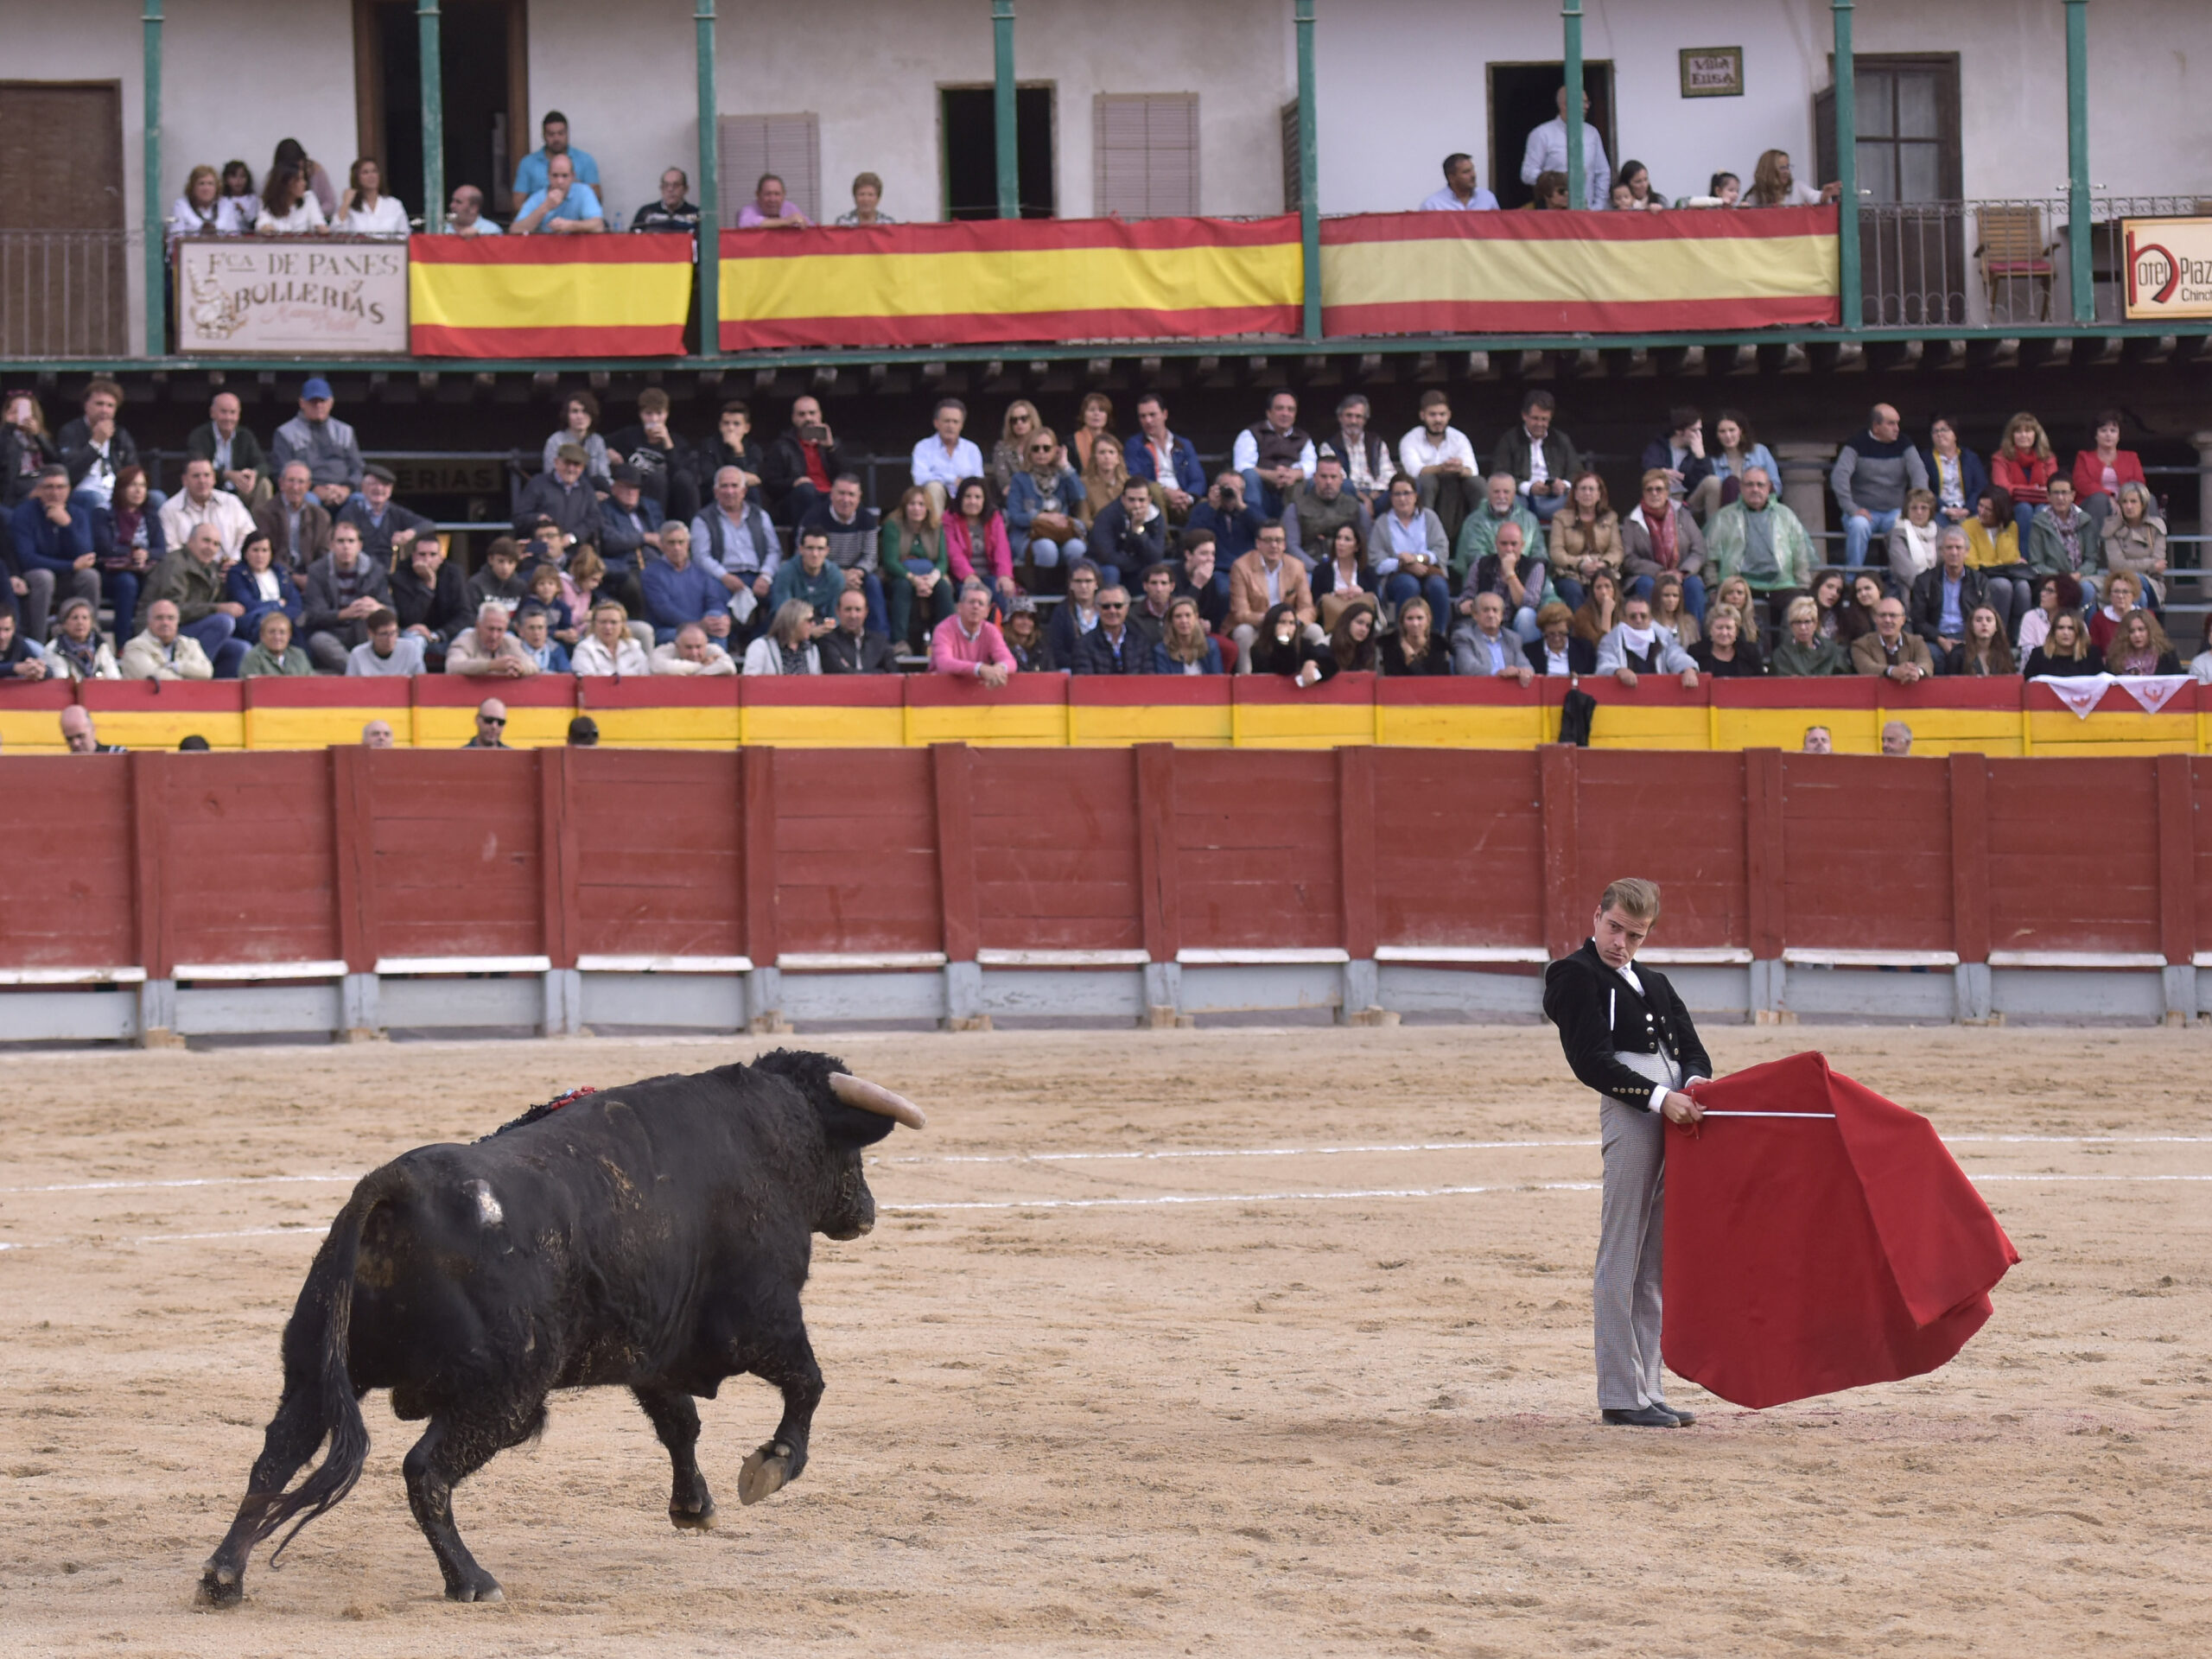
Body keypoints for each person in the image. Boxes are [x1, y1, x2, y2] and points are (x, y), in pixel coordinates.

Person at [1541, 876, 1712, 1428]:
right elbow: (1591, 1061)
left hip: (1678, 1114)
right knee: (1621, 1251)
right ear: (1597, 917)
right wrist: (1662, 1098)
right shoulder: (1573, 974)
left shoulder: (1656, 982)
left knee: (1654, 1258)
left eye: (1634, 935)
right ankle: (1620, 1393)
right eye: (1614, 928)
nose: (1620, 943)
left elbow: (1693, 1049)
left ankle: (1648, 1389)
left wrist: (1694, 1086)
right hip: (1633, 1110)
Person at [1703, 467, 1814, 637]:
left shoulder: (1785, 515)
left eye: (1760, 485)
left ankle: (1787, 652)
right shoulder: (1724, 517)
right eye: (1749, 485)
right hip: (1738, 582)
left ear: (1769, 487)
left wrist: (1804, 587)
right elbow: (1710, 556)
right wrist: (1712, 587)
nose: (1755, 489)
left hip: (1781, 583)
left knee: (1798, 607)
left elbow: (1800, 554)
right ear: (1741, 488)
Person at [10, 463, 103, 642]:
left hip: (68, 577)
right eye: (49, 487)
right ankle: (37, 642)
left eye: (61, 487)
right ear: (39, 489)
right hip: (35, 576)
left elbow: (86, 554)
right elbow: (27, 559)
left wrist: (67, 525)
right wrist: (71, 565)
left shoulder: (78, 514)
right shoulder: (23, 514)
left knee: (90, 576)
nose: (55, 493)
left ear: (69, 489)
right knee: (44, 577)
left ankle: (90, 640)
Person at [1830, 404, 1928, 569]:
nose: (1897, 428)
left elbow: (1919, 472)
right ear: (1876, 426)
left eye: (1897, 423)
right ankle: (1853, 577)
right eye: (1891, 424)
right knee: (1858, 525)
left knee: (1904, 526)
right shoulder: (1856, 443)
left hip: (1894, 511)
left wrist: (1917, 504)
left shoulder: (1904, 443)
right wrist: (1852, 509)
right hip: (1863, 512)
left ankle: (1899, 578)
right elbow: (1839, 477)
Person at [796, 474, 886, 633]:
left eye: (851, 494)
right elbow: (805, 553)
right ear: (831, 494)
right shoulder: (813, 518)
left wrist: (857, 572)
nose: (846, 500)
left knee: (873, 582)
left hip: (856, 575)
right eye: (841, 493)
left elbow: (871, 556)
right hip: (824, 573)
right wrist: (839, 574)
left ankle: (879, 636)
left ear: (859, 497)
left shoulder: (867, 520)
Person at [1229, 521, 1321, 672]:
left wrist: (1291, 623)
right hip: (1258, 625)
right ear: (1258, 543)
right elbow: (1240, 613)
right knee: (1243, 632)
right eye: (1268, 540)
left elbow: (1307, 609)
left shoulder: (1297, 566)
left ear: (1284, 544)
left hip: (1290, 624)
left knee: (1315, 631)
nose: (1274, 545)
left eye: (1278, 540)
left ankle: (1312, 675)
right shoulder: (1241, 567)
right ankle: (1245, 679)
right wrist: (1273, 621)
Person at [690, 467, 779, 621]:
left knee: (782, 603)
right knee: (715, 606)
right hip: (721, 579)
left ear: (744, 491)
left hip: (757, 576)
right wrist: (725, 577)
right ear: (716, 492)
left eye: (734, 486)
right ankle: (729, 636)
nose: (729, 491)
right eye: (724, 486)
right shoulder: (702, 519)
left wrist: (765, 576)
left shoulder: (760, 515)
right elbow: (701, 557)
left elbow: (774, 550)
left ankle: (760, 635)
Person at [302, 520, 391, 672]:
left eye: (351, 541)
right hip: (332, 632)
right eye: (340, 541)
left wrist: (378, 609)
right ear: (331, 545)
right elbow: (314, 615)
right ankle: (362, 672)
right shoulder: (317, 571)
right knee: (318, 640)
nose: (346, 546)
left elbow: (392, 611)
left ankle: (360, 672)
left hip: (365, 630)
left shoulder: (375, 570)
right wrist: (346, 613)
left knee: (383, 634)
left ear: (359, 545)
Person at [1619, 467, 1707, 620]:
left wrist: (1683, 572)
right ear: (1643, 493)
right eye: (1649, 490)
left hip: (1681, 574)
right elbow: (1628, 558)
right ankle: (1649, 631)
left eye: (1659, 489)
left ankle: (1695, 633)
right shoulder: (1632, 521)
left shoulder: (1683, 515)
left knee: (1694, 585)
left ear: (1667, 492)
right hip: (1649, 576)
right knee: (1645, 584)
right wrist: (1658, 572)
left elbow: (1699, 550)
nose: (1654, 494)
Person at [1396, 391, 1481, 542]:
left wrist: (1460, 469)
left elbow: (1473, 470)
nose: (1438, 419)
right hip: (1425, 490)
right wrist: (1442, 468)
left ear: (1449, 415)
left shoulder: (1459, 438)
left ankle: (1478, 535)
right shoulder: (1410, 439)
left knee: (1478, 483)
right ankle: (1427, 536)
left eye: (1442, 414)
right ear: (1422, 415)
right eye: (1432, 415)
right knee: (1427, 481)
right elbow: (1415, 471)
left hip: (1456, 489)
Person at [1004, 429, 1088, 582]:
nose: (1041, 452)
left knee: (1077, 547)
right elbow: (1014, 516)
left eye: (1046, 448)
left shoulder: (1063, 476)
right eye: (1036, 448)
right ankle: (1043, 593)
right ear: (1029, 452)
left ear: (1055, 450)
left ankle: (1073, 591)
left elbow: (1080, 495)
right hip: (1029, 535)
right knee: (1046, 548)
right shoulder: (1020, 479)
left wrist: (1065, 466)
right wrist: (1042, 517)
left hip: (1061, 533)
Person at [1367, 474, 1451, 625]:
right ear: (1391, 497)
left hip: (1428, 570)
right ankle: (1403, 634)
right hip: (1397, 575)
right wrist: (1402, 564)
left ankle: (1439, 634)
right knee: (1408, 585)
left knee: (1438, 587)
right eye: (1397, 494)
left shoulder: (1429, 517)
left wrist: (1417, 559)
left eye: (1406, 493)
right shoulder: (1382, 523)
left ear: (1415, 495)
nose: (1402, 498)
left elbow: (1441, 549)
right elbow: (1376, 561)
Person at [270, 378, 364, 510]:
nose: (318, 405)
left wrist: (346, 489)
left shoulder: (345, 431)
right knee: (309, 501)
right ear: (302, 403)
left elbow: (357, 468)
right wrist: (312, 488)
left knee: (361, 501)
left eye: (322, 401)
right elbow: (281, 472)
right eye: (313, 401)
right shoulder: (285, 432)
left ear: (331, 402)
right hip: (308, 492)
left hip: (343, 491)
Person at [1491, 391, 1580, 526]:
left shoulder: (1561, 440)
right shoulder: (1509, 439)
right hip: (1521, 498)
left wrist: (1564, 485)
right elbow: (1500, 474)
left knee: (1581, 498)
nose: (1540, 424)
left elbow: (1577, 471)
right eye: (1535, 418)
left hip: (1556, 499)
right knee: (1508, 501)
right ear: (1524, 416)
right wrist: (1529, 487)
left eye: (1544, 419)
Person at [878, 485, 952, 650]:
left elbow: (942, 561)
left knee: (944, 588)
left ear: (928, 508)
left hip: (929, 576)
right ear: (905, 506)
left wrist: (931, 580)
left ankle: (946, 642)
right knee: (903, 586)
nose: (916, 508)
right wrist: (914, 579)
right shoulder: (893, 525)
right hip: (901, 575)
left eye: (921, 504)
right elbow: (890, 561)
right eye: (912, 504)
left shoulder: (936, 527)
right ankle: (900, 642)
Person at [607, 389, 698, 522]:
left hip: (673, 502)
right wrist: (609, 451)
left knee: (672, 478)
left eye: (659, 413)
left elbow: (680, 477)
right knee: (656, 479)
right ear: (641, 415)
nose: (654, 419)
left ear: (666, 414)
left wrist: (667, 443)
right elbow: (602, 441)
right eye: (648, 414)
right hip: (642, 496)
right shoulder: (630, 435)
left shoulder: (677, 442)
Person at [1910, 526, 2004, 654]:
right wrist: (1940, 639)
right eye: (1949, 548)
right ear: (1941, 551)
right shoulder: (1924, 580)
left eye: (1958, 547)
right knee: (1931, 653)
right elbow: (1918, 620)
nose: (1954, 552)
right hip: (1935, 638)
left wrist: (1967, 640)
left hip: (1969, 637)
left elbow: (1985, 615)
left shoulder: (1980, 581)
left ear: (1967, 552)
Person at [643, 519, 734, 646]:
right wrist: (699, 626)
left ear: (688, 544)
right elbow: (664, 611)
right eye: (671, 543)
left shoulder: (701, 572)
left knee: (717, 620)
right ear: (662, 545)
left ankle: (718, 658)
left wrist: (722, 619)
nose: (677, 548)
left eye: (681, 542)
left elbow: (714, 600)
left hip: (703, 628)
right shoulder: (651, 574)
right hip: (670, 630)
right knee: (700, 634)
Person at [1521, 84, 1611, 209]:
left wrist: (1598, 206)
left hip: (1587, 212)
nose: (1586, 106)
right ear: (1564, 105)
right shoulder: (1542, 134)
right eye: (1582, 102)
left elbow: (1603, 173)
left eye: (1587, 102)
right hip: (1553, 213)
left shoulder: (1592, 133)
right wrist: (1557, 180)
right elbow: (1527, 174)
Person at [761, 395, 846, 524]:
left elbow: (847, 477)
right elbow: (770, 484)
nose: (808, 418)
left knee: (848, 497)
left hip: (830, 498)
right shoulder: (782, 446)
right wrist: (794, 483)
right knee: (806, 491)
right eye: (802, 414)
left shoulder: (834, 444)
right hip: (797, 500)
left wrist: (831, 449)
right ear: (794, 418)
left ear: (820, 415)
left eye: (812, 413)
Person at [1231, 391, 1316, 518]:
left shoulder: (1303, 438)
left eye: (1290, 410)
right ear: (1269, 413)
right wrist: (1270, 475)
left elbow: (1312, 465)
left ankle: (1307, 524)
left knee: (1314, 481)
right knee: (1249, 475)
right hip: (1261, 490)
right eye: (1279, 408)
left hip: (1292, 490)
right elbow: (1242, 466)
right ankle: (1255, 520)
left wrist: (1293, 474)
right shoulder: (1251, 434)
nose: (1285, 413)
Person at [1547, 471, 1623, 613]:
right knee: (1573, 590)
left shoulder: (1611, 517)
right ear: (1575, 494)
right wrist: (1580, 564)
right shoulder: (1560, 517)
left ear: (1599, 494)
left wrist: (1603, 564)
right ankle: (1580, 626)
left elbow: (1616, 550)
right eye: (1583, 489)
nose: (1587, 493)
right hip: (1569, 573)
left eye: (1591, 489)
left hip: (1602, 570)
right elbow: (1556, 551)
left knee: (1609, 587)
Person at [58, 378, 141, 508]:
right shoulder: (71, 431)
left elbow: (133, 470)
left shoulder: (121, 434)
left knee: (156, 497)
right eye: (99, 404)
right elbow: (70, 473)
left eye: (110, 406)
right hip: (82, 491)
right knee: (96, 499)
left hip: (115, 491)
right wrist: (96, 444)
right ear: (86, 405)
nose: (104, 410)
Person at [1088, 475, 1171, 597]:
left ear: (1149, 499)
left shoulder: (1156, 517)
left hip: (1135, 569)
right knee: (1112, 571)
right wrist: (1139, 562)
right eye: (1131, 500)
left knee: (1157, 574)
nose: (1137, 505)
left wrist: (1138, 531)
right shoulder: (1107, 516)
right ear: (1123, 499)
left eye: (1141, 500)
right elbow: (1107, 556)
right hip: (1105, 566)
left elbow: (1156, 555)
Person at [1126, 392, 1205, 519]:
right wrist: (1166, 492)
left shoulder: (1183, 444)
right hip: (1154, 498)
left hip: (1183, 498)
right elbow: (1136, 477)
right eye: (1143, 416)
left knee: (1209, 505)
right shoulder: (1134, 445)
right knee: (1154, 490)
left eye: (1152, 415)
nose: (1148, 421)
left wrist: (1187, 498)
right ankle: (1162, 533)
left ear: (1165, 414)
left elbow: (1198, 479)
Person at [1595, 594, 1700, 689]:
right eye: (1633, 616)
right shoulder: (1610, 640)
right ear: (1624, 619)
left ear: (1650, 618)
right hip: (1624, 696)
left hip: (1659, 693)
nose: (1638, 620)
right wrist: (1619, 671)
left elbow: (1677, 655)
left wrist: (1688, 669)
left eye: (1643, 616)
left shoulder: (1663, 637)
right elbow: (1604, 665)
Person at [2026, 475, 2102, 601]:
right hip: (2051, 578)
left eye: (2064, 493)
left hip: (2082, 577)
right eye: (2056, 493)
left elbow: (2092, 559)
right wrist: (2062, 578)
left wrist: (2078, 574)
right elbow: (2036, 563)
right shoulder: (2039, 523)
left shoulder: (2085, 521)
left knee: (2087, 589)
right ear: (2048, 496)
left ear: (2073, 495)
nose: (2060, 498)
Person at [185, 391, 269, 505]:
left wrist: (253, 474)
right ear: (212, 413)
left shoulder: (245, 436)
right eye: (223, 412)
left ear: (238, 415)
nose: (228, 418)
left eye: (232, 412)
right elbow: (196, 468)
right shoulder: (199, 436)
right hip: (211, 490)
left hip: (240, 491)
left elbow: (263, 465)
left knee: (264, 483)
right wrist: (227, 475)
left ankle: (260, 517)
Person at [1637, 407, 1719, 523]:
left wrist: (1701, 457)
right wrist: (1660, 473)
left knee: (1713, 482)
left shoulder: (1697, 450)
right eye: (1694, 430)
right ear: (1679, 431)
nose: (1699, 435)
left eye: (1699, 430)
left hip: (1689, 504)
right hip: (1664, 502)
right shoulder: (1659, 447)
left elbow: (1707, 480)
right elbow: (1647, 468)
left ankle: (1714, 530)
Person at [224, 528, 305, 644]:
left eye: (264, 550)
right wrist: (277, 604)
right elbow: (247, 605)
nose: (260, 555)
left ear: (271, 553)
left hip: (285, 622)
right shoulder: (237, 574)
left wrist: (280, 619)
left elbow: (295, 602)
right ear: (245, 553)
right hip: (255, 624)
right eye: (255, 550)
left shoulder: (281, 572)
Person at [516, 444, 602, 553]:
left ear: (583, 468)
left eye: (576, 465)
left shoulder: (587, 489)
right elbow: (518, 518)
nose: (571, 469)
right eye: (567, 463)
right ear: (556, 462)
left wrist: (573, 537)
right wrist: (537, 518)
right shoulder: (537, 484)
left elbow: (594, 518)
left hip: (574, 552)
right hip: (540, 551)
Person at [944, 476, 1015, 605]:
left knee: (1000, 591)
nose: (973, 501)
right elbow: (953, 553)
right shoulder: (949, 519)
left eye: (977, 497)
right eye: (968, 496)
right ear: (960, 498)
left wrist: (1004, 575)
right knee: (971, 596)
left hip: (990, 574)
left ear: (984, 500)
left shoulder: (994, 517)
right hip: (961, 577)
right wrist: (968, 575)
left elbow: (1002, 549)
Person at [2070, 410, 2147, 529]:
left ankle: (2150, 539)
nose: (2108, 434)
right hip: (2092, 505)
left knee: (2150, 499)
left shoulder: (2131, 457)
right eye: (2103, 430)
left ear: (2119, 435)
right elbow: (2081, 483)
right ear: (2095, 435)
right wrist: (2109, 497)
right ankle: (2097, 541)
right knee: (2099, 500)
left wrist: (2124, 501)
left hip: (2126, 502)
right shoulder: (2083, 457)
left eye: (2113, 431)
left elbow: (2139, 483)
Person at [254, 461, 333, 571]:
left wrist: (312, 575)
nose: (295, 487)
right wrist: (292, 576)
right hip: (277, 572)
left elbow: (324, 554)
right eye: (291, 481)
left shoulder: (321, 516)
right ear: (281, 484)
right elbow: (266, 553)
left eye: (301, 482)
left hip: (311, 574)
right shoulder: (265, 513)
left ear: (308, 486)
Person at [931, 580, 1015, 683]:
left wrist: (1000, 669)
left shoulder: (991, 630)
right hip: (941, 687)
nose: (976, 606)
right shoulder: (944, 629)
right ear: (959, 607)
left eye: (981, 603)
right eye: (971, 602)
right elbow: (944, 664)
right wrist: (979, 668)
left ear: (987, 612)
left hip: (977, 688)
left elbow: (1010, 661)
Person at [1991, 411, 2057, 539]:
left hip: (2043, 504)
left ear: (2036, 434)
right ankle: (2024, 551)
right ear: (2011, 436)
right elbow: (2002, 488)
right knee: (2024, 508)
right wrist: (2034, 490)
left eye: (2028, 431)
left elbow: (2054, 487)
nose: (2024, 435)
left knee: (2041, 509)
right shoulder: (2000, 458)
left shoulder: (2048, 457)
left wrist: (2021, 491)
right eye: (2018, 431)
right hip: (2011, 506)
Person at [2099, 481, 2167, 606]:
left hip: (2150, 582)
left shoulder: (2156, 526)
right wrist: (2151, 565)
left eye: (2133, 501)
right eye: (2124, 502)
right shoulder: (2111, 527)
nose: (2129, 506)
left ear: (2143, 504)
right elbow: (2116, 565)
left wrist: (2133, 565)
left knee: (2137, 582)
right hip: (2119, 581)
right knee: (2138, 594)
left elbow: (2159, 562)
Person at [766, 527, 844, 636]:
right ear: (801, 549)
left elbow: (836, 616)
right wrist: (807, 631)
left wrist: (827, 627)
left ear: (827, 551)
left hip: (821, 626)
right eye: (810, 548)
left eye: (820, 549)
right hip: (790, 628)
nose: (815, 554)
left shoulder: (835, 576)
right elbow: (781, 614)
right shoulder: (786, 572)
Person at [912, 398, 985, 513]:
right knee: (934, 487)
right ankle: (937, 525)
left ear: (961, 425)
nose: (951, 426)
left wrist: (963, 484)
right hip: (934, 501)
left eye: (955, 422)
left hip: (965, 499)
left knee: (974, 492)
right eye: (947, 421)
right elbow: (919, 479)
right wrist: (952, 479)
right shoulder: (923, 447)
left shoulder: (972, 449)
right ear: (936, 423)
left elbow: (979, 480)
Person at [1324, 395, 1395, 512]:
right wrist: (1364, 499)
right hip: (1348, 495)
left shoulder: (1376, 443)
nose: (1353, 421)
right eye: (1349, 415)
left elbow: (1388, 473)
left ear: (1365, 420)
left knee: (1404, 490)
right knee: (1344, 486)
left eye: (1358, 416)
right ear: (1340, 418)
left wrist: (1371, 496)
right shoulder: (1330, 446)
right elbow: (1339, 480)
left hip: (1376, 494)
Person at [513, 111, 600, 203]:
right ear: (543, 135)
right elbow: (517, 203)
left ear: (567, 134)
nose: (556, 139)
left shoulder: (585, 160)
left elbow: (597, 199)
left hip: (577, 212)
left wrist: (576, 187)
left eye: (561, 133)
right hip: (541, 211)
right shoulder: (528, 163)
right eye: (551, 134)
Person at [1917, 415, 1987, 528]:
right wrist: (1944, 509)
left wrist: (1968, 509)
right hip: (1939, 510)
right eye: (1935, 431)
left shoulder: (1970, 458)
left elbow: (1980, 487)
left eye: (1944, 430)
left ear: (1955, 434)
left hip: (1969, 510)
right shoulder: (1925, 459)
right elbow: (1924, 488)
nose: (1939, 434)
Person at [1248, 601, 1337, 687]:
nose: (1287, 627)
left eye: (1291, 623)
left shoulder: (1303, 645)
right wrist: (1283, 641)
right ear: (1272, 625)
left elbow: (1331, 661)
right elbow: (1286, 670)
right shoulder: (1258, 650)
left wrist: (1314, 663)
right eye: (1282, 622)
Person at [122, 597, 213, 681]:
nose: (165, 623)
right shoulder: (134, 646)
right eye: (159, 618)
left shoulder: (191, 644)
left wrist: (176, 667)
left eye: (171, 618)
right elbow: (153, 677)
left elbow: (206, 672)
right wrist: (189, 680)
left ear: (177, 621)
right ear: (149, 621)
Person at [1706, 410, 1778, 515]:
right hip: (1728, 512)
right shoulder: (1712, 460)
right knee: (1731, 483)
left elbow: (1776, 486)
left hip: (1759, 508)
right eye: (1722, 431)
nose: (1728, 435)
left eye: (1732, 430)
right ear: (1717, 435)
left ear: (1740, 431)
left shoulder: (1760, 451)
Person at [1313, 520, 1378, 632]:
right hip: (1330, 628)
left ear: (1357, 546)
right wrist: (1334, 596)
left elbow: (1376, 605)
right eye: (1338, 538)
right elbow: (1315, 604)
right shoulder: (1321, 571)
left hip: (1361, 630)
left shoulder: (1368, 572)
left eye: (1347, 539)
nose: (1341, 543)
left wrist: (1362, 594)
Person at [512, 155, 606, 234]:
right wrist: (545, 206)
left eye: (565, 176)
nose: (560, 181)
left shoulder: (583, 192)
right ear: (548, 176)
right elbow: (515, 230)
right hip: (545, 247)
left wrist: (571, 225)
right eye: (555, 175)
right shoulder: (538, 197)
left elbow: (598, 226)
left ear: (573, 176)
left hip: (576, 247)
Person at [1071, 585, 1151, 676]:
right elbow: (1084, 680)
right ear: (1097, 608)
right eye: (1106, 606)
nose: (1112, 611)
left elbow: (1149, 678)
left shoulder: (1140, 641)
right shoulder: (1083, 645)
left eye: (1118, 606)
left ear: (1127, 608)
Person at [1185, 471, 1262, 566]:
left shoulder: (1251, 509)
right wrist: (1211, 508)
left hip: (1248, 566)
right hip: (1217, 567)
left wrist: (1242, 507)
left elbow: (1265, 530)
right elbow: (1191, 537)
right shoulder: (1203, 509)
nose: (1229, 491)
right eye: (1225, 487)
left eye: (1235, 488)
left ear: (1242, 491)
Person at [1851, 596, 1933, 683]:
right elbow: (1867, 668)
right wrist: (1892, 671)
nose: (1887, 620)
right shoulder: (1861, 645)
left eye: (1893, 616)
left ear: (1903, 620)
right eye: (1882, 615)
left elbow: (1926, 663)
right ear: (1875, 618)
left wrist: (1917, 672)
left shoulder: (1916, 642)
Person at [446, 601, 538, 677]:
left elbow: (533, 665)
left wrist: (520, 668)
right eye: (490, 629)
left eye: (500, 630)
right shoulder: (463, 642)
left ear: (506, 629)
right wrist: (491, 665)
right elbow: (453, 666)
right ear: (478, 625)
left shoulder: (511, 642)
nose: (494, 636)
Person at [1449, 590, 1525, 679]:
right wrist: (1498, 673)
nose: (1491, 615)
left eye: (1495, 610)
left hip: (1510, 687)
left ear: (1502, 615)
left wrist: (1523, 671)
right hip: (1478, 687)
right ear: (1475, 614)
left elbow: (1524, 665)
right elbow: (1468, 668)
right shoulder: (1463, 637)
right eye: (1486, 610)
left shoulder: (1513, 638)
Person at [817, 590, 895, 674]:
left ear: (866, 612)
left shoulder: (880, 641)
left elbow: (892, 672)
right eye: (848, 609)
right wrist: (878, 673)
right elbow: (838, 671)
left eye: (858, 610)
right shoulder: (828, 641)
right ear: (837, 611)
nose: (853, 616)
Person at [569, 598, 652, 677]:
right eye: (603, 622)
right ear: (594, 624)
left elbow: (645, 677)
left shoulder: (634, 646)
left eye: (613, 622)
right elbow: (588, 682)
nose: (608, 627)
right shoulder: (584, 649)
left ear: (622, 625)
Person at [541, 390, 610, 482]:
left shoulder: (597, 440)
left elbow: (604, 476)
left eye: (585, 411)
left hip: (593, 489)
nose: (580, 416)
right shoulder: (555, 441)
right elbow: (550, 476)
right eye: (575, 411)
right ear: (567, 416)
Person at [44, 597, 119, 681]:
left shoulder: (101, 645)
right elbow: (61, 682)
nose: (80, 622)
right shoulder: (55, 649)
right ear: (64, 623)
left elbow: (115, 678)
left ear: (92, 623)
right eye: (75, 618)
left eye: (85, 618)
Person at [1770, 596, 1848, 677]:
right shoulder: (1781, 656)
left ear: (1815, 624)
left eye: (1807, 622)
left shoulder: (1832, 651)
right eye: (1798, 622)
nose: (1803, 627)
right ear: (1791, 626)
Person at [1175, 531, 1232, 636]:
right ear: (1188, 554)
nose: (1210, 559)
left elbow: (1215, 615)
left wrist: (1209, 624)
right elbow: (1177, 610)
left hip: (1202, 634)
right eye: (1204, 554)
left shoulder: (1210, 578)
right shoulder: (1172, 575)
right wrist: (1196, 585)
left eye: (1213, 554)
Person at [336, 158, 408, 236]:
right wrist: (346, 203)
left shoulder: (394, 204)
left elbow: (404, 234)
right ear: (357, 178)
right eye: (365, 172)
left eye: (374, 171)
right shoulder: (350, 206)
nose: (371, 176)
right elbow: (336, 232)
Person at [465, 534, 531, 618]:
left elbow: (524, 617)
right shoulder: (475, 585)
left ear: (516, 564)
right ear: (490, 560)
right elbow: (472, 616)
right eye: (501, 561)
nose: (505, 567)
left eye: (510, 562)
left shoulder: (521, 586)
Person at [1886, 489, 1942, 589]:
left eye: (1924, 508)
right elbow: (1906, 571)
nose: (1919, 512)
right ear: (1907, 510)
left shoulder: (1939, 533)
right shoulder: (1898, 534)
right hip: (1909, 590)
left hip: (1938, 588)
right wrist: (1926, 589)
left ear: (1931, 511)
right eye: (1914, 508)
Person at [347, 608, 428, 677]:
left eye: (393, 632)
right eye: (384, 634)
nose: (390, 639)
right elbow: (351, 686)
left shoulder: (410, 649)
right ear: (370, 634)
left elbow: (421, 682)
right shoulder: (358, 654)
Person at [1745, 149, 1840, 207]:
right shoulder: (1755, 195)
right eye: (1782, 168)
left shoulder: (1797, 187)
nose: (1787, 171)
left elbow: (1816, 198)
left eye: (1788, 167)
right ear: (1769, 170)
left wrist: (1825, 195)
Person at [2102, 607, 2180, 677]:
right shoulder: (2115, 657)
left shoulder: (2167, 655)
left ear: (2150, 631)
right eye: (2131, 631)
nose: (2137, 635)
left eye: (2141, 629)